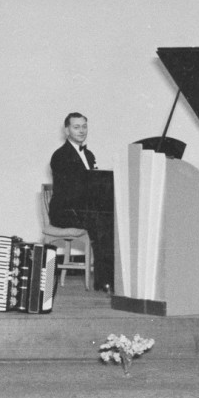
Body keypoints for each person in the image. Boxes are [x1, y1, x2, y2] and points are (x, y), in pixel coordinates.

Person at [48, 112, 114, 291]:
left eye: (84, 126)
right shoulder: (60, 156)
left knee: (109, 218)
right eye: (76, 127)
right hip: (64, 211)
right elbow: (72, 191)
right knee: (101, 221)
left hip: (83, 209)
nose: (81, 130)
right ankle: (105, 282)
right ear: (67, 130)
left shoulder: (89, 154)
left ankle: (110, 278)